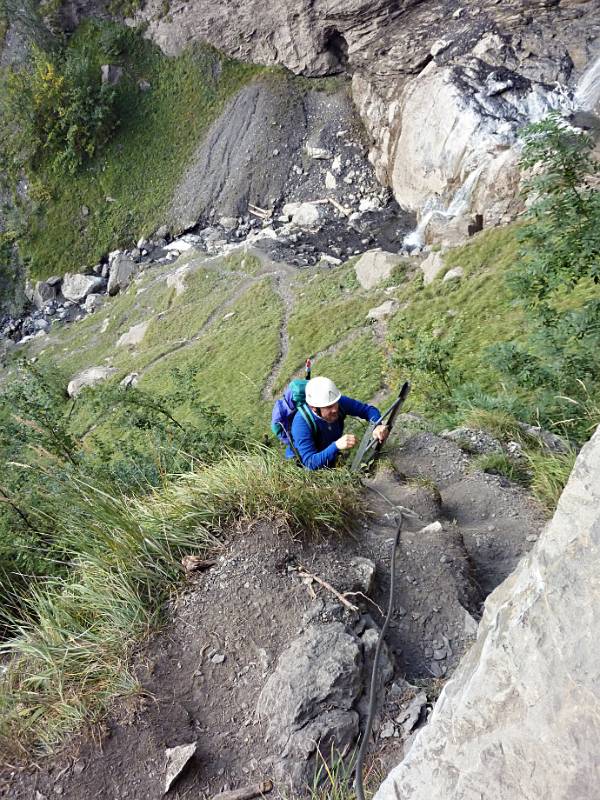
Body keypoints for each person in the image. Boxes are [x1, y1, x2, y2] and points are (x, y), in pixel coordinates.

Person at [287, 376, 389, 470]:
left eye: (334, 404)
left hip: (327, 454)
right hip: (304, 467)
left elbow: (367, 410)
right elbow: (310, 463)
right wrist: (336, 446)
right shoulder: (301, 424)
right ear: (313, 407)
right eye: (328, 407)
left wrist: (377, 425)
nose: (335, 409)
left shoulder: (338, 402)